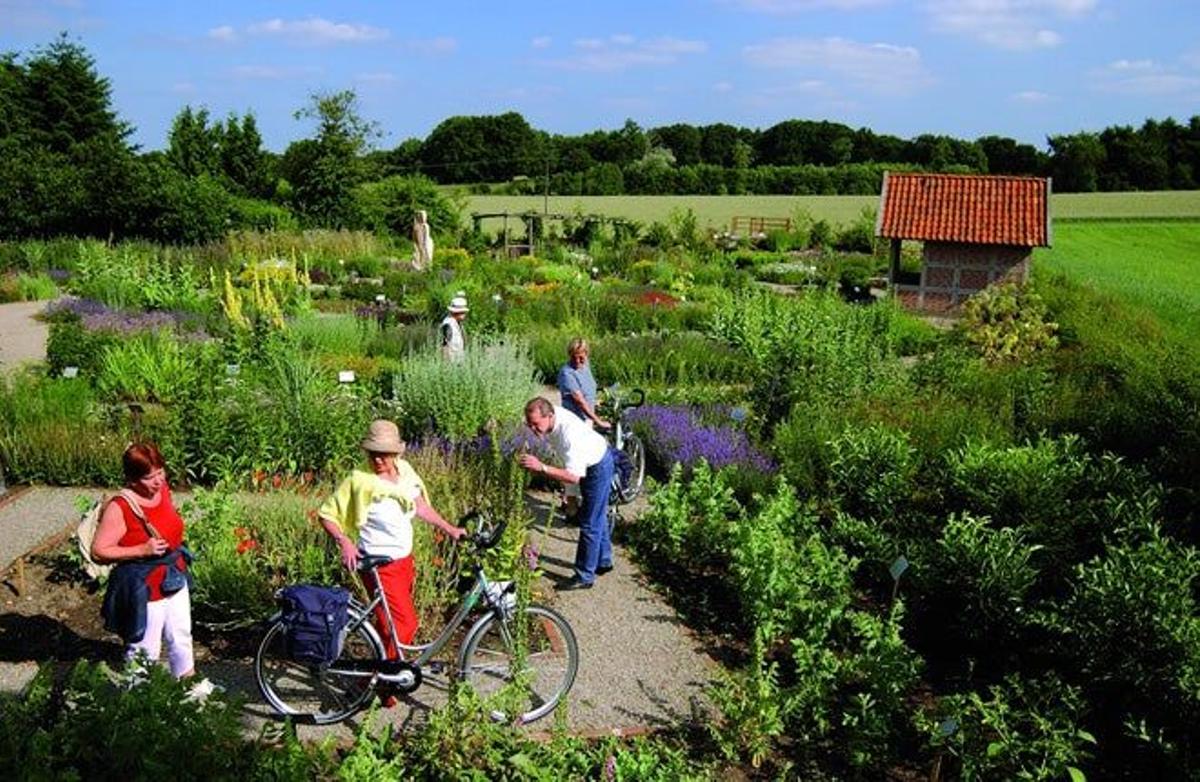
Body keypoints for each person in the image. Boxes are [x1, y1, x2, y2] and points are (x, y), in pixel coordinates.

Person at [318, 419, 465, 664]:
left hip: (404, 561)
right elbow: (326, 515)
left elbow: (420, 506)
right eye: (373, 453)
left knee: (389, 626)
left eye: (384, 454)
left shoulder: (405, 472)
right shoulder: (359, 480)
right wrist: (344, 541)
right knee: (405, 624)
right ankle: (382, 679)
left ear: (396, 453)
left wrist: (450, 529)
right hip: (380, 565)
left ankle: (379, 680)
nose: (378, 460)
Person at [93, 442, 211, 694]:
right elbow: (99, 551)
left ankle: (189, 687)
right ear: (132, 478)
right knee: (145, 648)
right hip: (144, 586)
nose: (158, 481)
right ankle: (139, 702)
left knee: (181, 636)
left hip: (173, 575)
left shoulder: (162, 490)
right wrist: (140, 550)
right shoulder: (120, 507)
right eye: (149, 477)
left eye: (160, 472)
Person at [518, 398, 615, 591]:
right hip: (589, 461)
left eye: (536, 424)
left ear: (550, 415)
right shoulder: (552, 420)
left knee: (589, 522)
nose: (533, 429)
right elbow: (567, 465)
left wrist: (542, 467)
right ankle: (603, 561)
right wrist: (570, 499)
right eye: (529, 424)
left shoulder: (569, 435)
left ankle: (584, 576)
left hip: (597, 466)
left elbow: (573, 476)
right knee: (597, 515)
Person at [556, 338, 609, 519]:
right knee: (574, 463)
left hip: (587, 422)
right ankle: (571, 507)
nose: (578, 361)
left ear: (587, 354)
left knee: (587, 462)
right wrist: (598, 420)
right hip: (574, 423)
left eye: (582, 357)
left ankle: (576, 501)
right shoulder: (566, 372)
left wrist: (598, 404)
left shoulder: (586, 367)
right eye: (575, 357)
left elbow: (589, 391)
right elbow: (579, 399)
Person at [439, 292, 468, 362]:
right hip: (452, 364)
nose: (465, 314)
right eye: (463, 312)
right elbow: (444, 347)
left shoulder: (457, 324)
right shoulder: (448, 324)